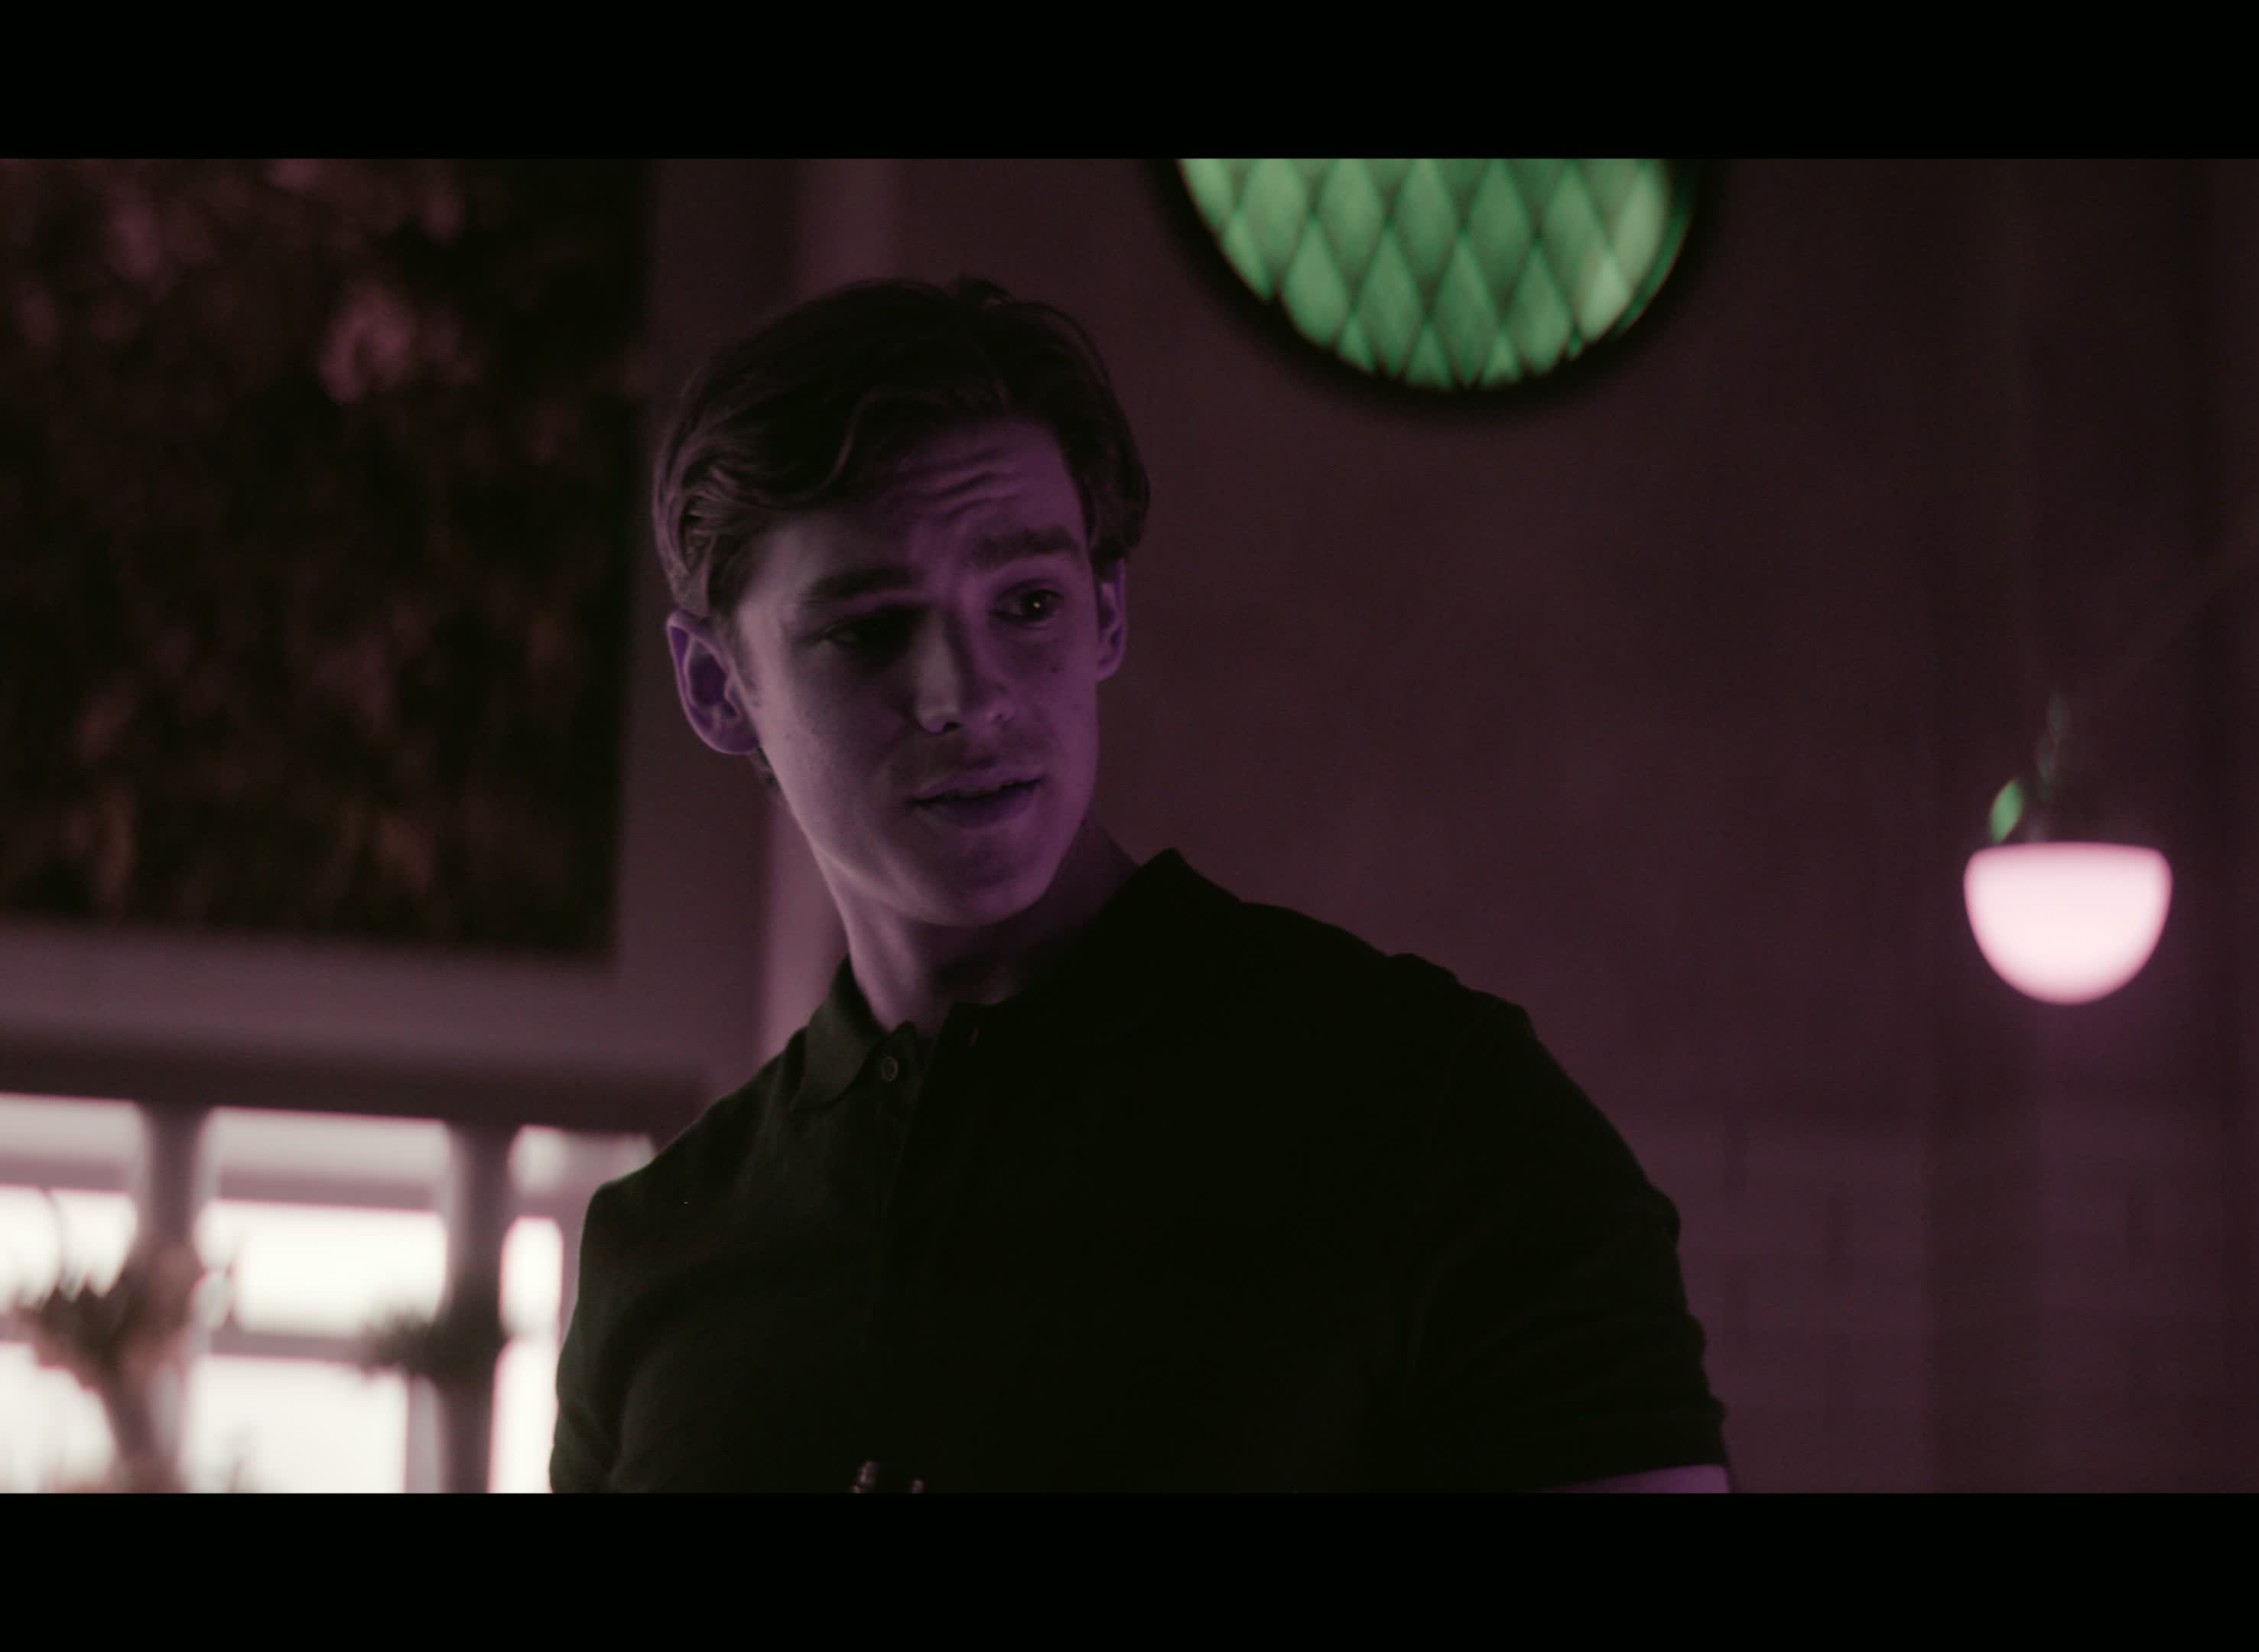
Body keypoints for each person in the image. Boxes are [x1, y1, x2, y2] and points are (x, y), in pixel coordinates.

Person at [549, 277, 1731, 1491]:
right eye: (867, 630)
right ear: (717, 689)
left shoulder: (1440, 1113)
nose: (968, 696)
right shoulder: (660, 1249)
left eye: (1028, 604)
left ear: (1106, 612)